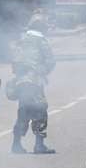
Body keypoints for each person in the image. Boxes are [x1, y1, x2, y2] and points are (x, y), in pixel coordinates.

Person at [9, 14, 56, 154]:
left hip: (21, 83)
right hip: (34, 82)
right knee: (40, 110)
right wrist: (42, 71)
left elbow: (14, 62)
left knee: (23, 112)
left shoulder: (21, 40)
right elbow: (50, 61)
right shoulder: (41, 41)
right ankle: (39, 145)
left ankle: (16, 144)